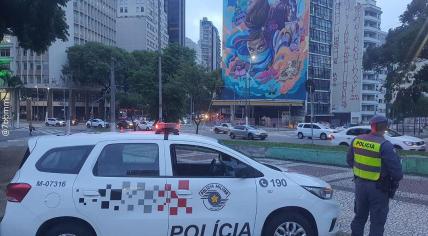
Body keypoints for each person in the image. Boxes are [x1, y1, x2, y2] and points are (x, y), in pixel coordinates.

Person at [347, 115, 403, 236]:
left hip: (360, 185)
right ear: (386, 127)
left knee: (359, 218)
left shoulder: (357, 140)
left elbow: (350, 161)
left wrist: (362, 171)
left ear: (372, 126)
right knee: (377, 222)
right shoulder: (385, 145)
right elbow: (397, 174)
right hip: (379, 189)